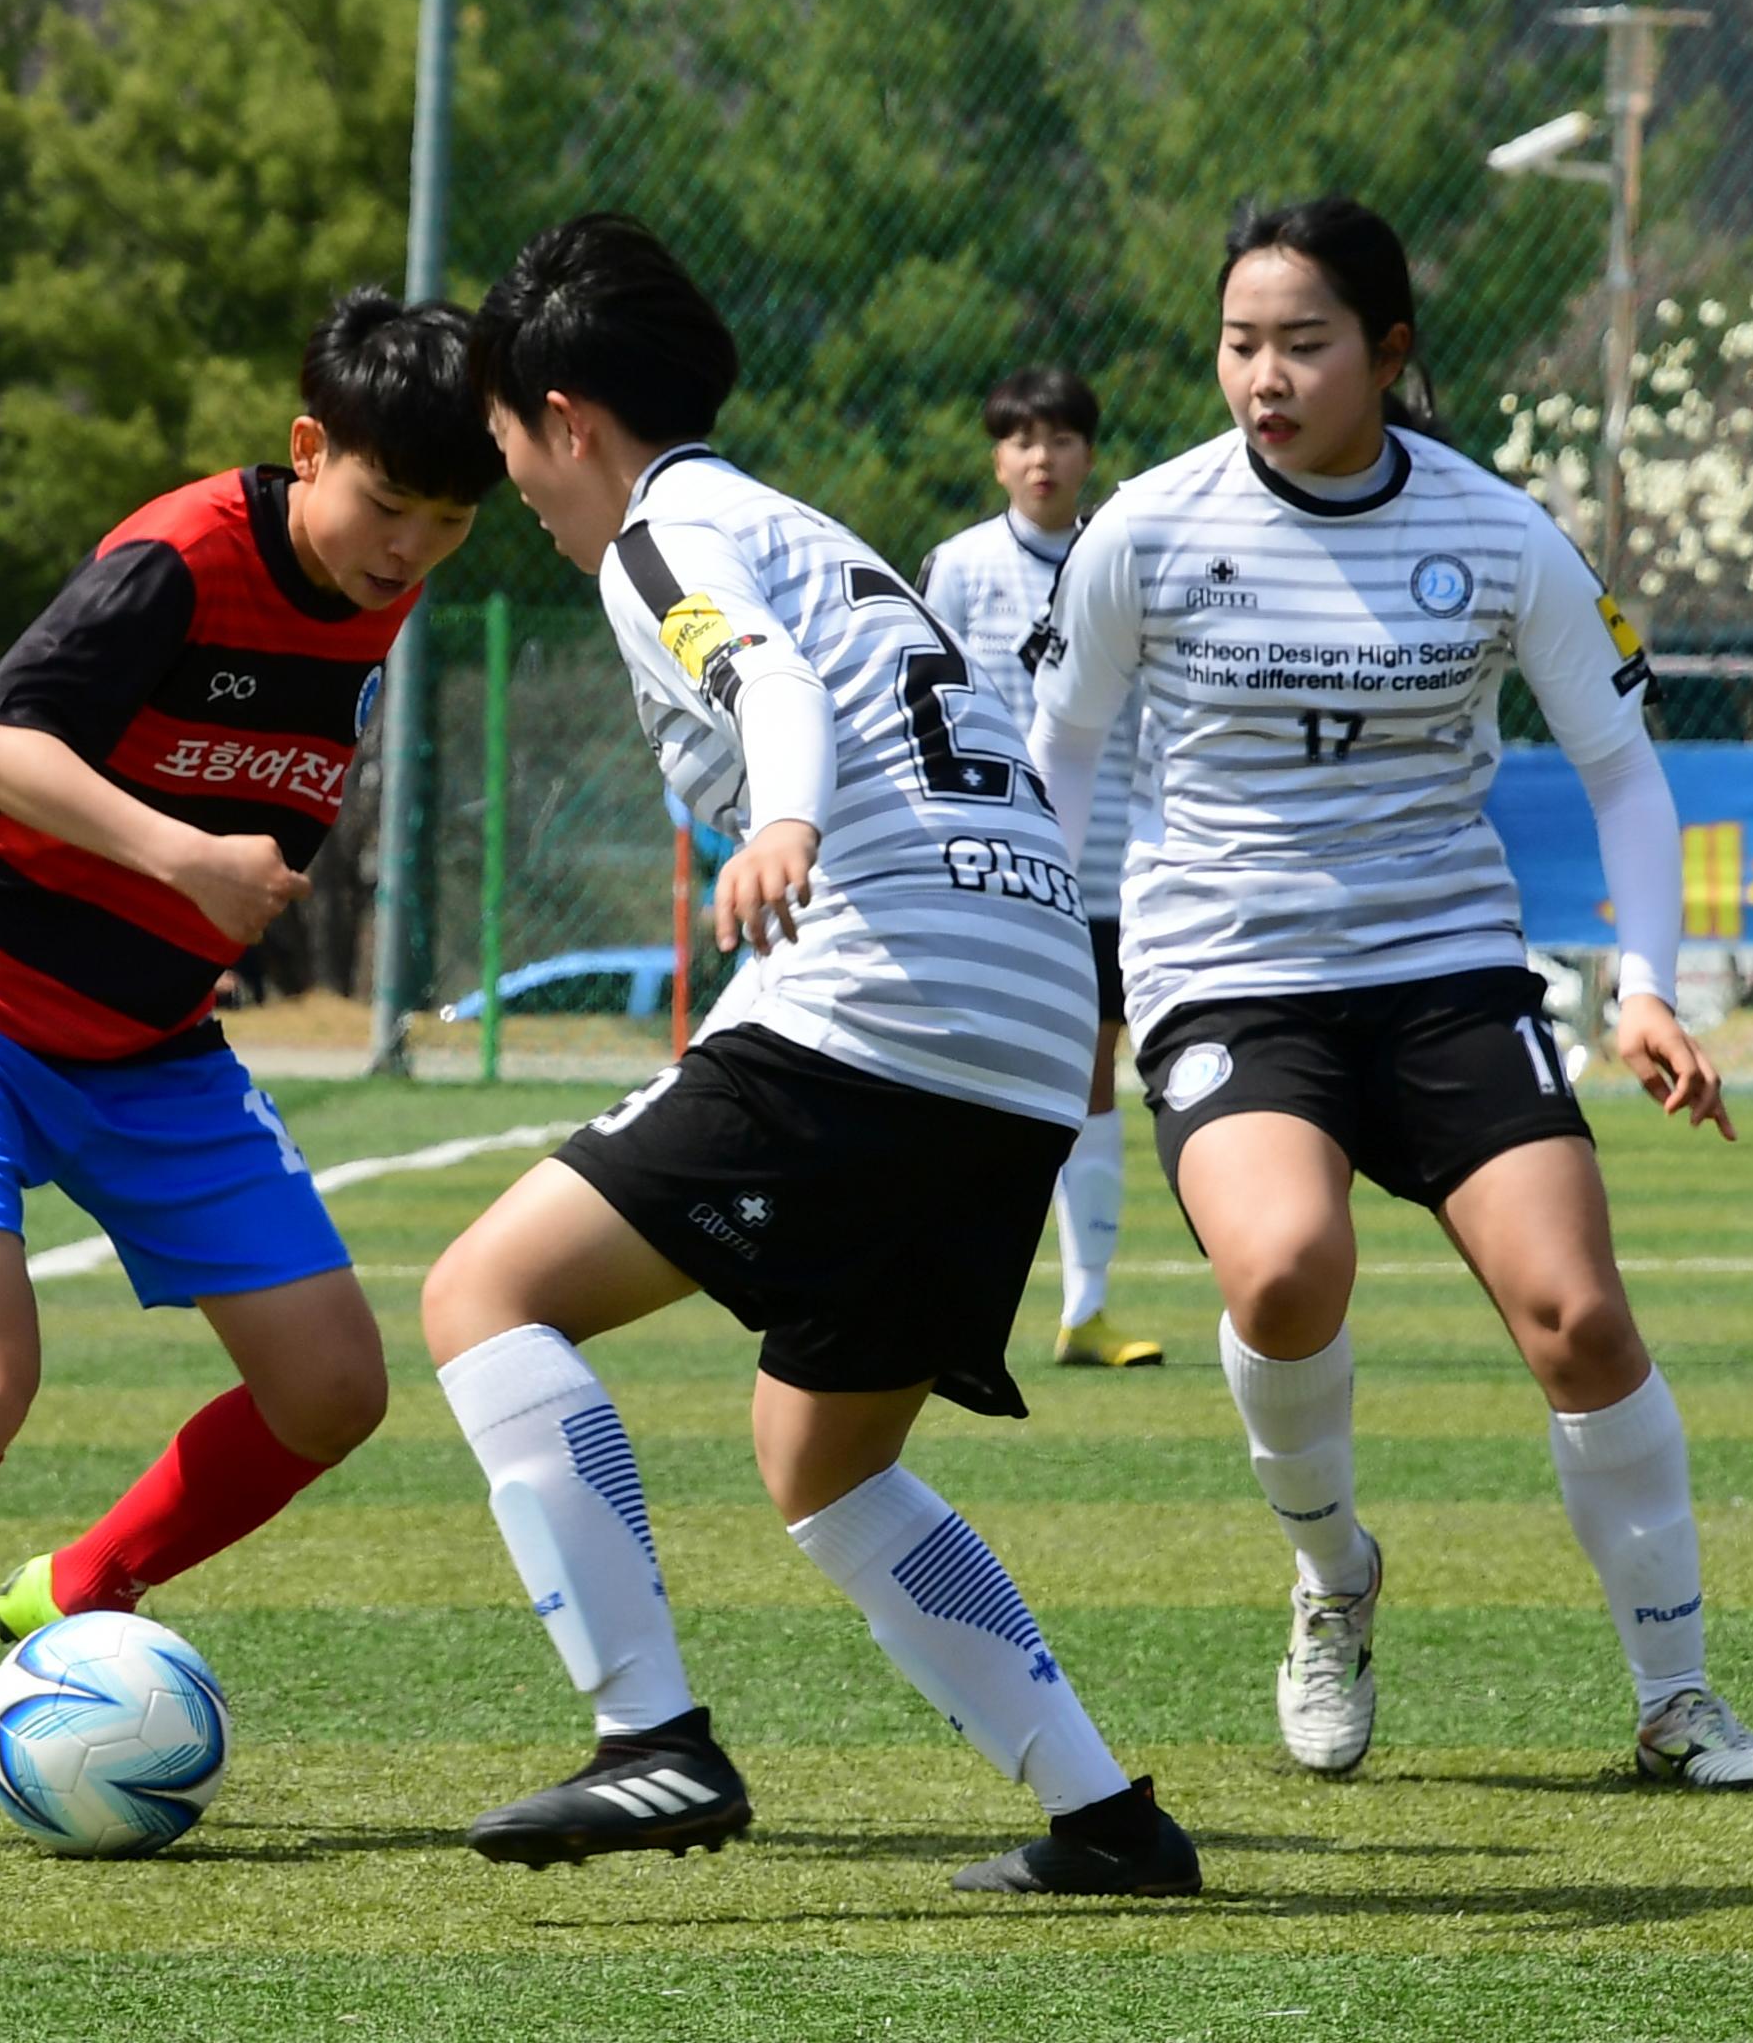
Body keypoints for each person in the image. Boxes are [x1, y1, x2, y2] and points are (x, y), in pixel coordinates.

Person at [419, 213, 1196, 1898]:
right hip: (1023, 1023)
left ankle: (650, 1741)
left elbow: (760, 677)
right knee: (823, 1459)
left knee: (482, 1294)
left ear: (563, 417)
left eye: (505, 454)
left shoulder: (658, 532)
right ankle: (1107, 1819)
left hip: (883, 1005)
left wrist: (778, 822)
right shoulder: (793, 518)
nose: (518, 496)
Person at [1024, 195, 1753, 1790]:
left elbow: (1623, 776)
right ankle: (1331, 1579)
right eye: (1241, 344)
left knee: (1580, 1319)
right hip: (1228, 975)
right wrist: (1040, 960)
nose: (1266, 376)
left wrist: (1644, 988)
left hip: (1446, 969)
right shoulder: (1148, 532)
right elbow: (1065, 756)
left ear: (1388, 352)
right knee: (1288, 1267)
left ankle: (1677, 1699)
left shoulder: (1500, 535)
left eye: (1305, 344)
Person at [0, 288, 503, 1850]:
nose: (409, 549)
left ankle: (86, 1582)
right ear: (310, 452)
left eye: (447, 522)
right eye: (387, 505)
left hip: (151, 1041)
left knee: (332, 1388)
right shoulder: (179, 558)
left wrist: (196, 897)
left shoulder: (385, 588)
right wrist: (188, 859)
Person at [923, 366, 1161, 1368]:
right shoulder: (960, 566)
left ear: (1087, 454)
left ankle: (1085, 1308)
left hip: (1102, 867)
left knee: (1095, 1072)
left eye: (1061, 439)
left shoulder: (1123, 561)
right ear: (996, 457)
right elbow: (922, 699)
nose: (1042, 457)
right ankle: (939, 1300)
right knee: (966, 1075)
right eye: (1022, 439)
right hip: (987, 862)